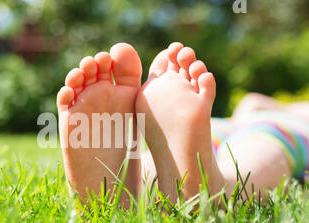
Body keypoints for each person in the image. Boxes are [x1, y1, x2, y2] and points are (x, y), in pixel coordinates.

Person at [57, 42, 309, 207]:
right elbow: (252, 101)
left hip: (248, 127)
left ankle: (116, 191)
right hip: (250, 127)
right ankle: (207, 188)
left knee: (256, 148)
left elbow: (252, 101)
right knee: (253, 151)